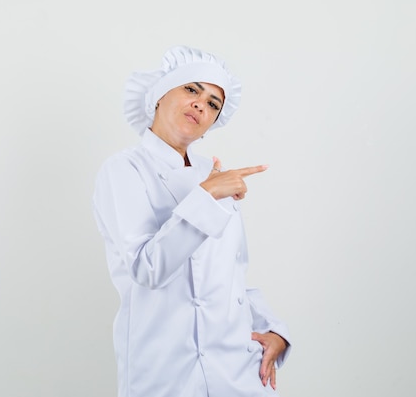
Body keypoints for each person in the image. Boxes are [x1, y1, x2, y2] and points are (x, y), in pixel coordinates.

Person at [92, 45, 291, 397]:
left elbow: (232, 273)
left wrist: (273, 329)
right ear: (158, 96)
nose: (202, 103)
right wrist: (207, 196)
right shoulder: (123, 170)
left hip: (237, 371)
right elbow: (146, 268)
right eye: (192, 89)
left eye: (214, 103)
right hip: (164, 372)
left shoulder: (212, 173)